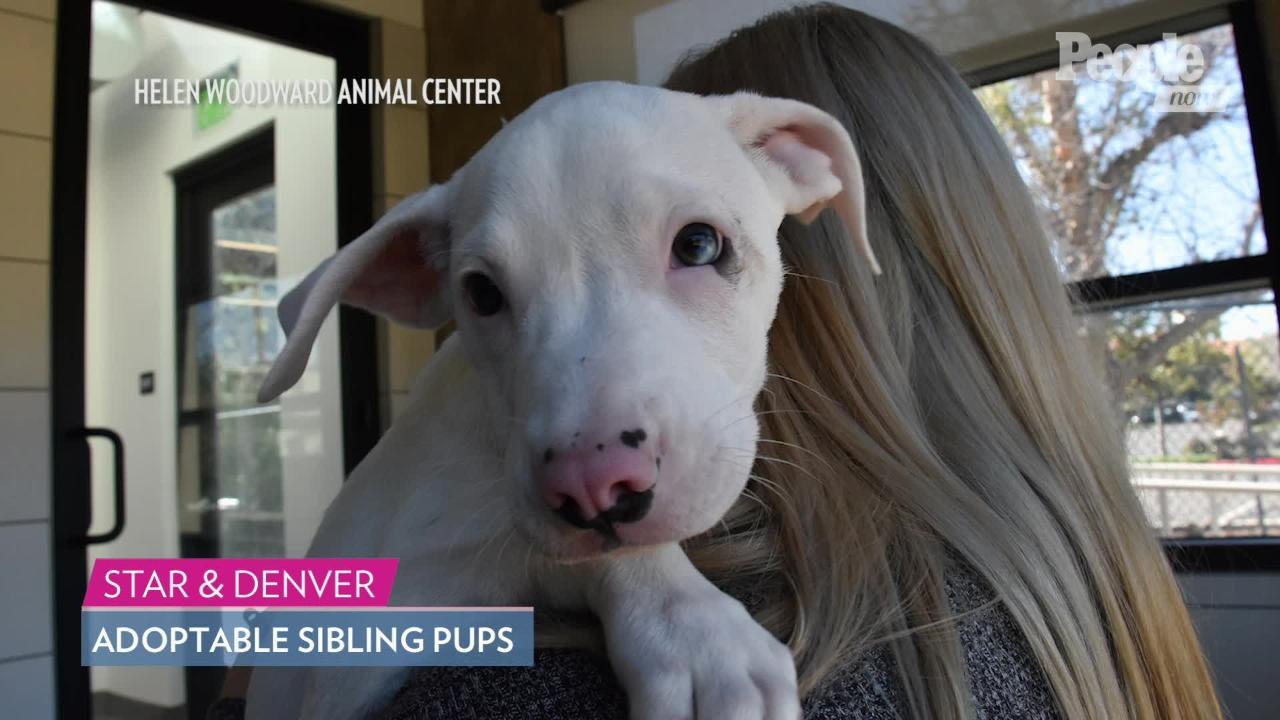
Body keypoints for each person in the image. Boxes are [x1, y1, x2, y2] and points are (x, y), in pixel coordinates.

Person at [214, 5, 1221, 719]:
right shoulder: (1101, 591)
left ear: (809, 171)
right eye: (487, 291)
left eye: (695, 246)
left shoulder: (527, 692)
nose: (587, 457)